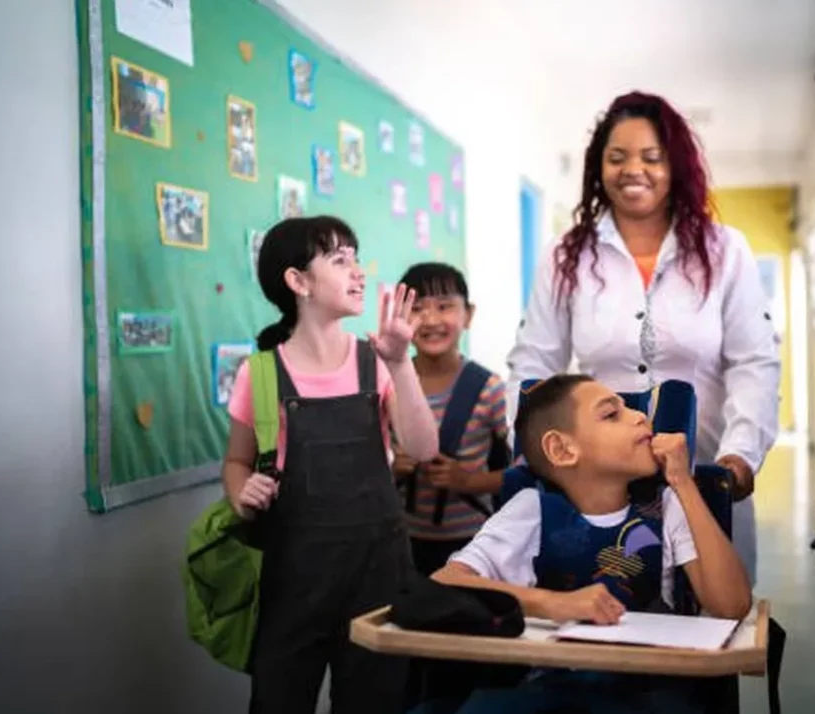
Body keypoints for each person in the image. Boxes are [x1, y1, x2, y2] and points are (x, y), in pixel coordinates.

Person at [505, 91, 780, 584]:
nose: (634, 170)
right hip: (595, 488)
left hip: (702, 478)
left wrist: (739, 456)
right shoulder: (566, 255)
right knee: (605, 618)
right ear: (598, 168)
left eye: (652, 158)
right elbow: (535, 363)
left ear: (676, 167)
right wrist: (530, 447)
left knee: (708, 626)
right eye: (618, 157)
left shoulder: (724, 251)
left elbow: (753, 363)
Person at [430, 374, 752, 714]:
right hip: (552, 686)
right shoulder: (530, 510)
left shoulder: (668, 506)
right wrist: (552, 603)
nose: (640, 417)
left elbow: (731, 606)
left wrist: (683, 483)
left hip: (649, 689)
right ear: (562, 449)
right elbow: (446, 582)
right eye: (611, 414)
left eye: (630, 409)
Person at [222, 216, 439, 714]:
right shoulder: (259, 373)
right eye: (339, 260)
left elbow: (424, 449)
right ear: (297, 282)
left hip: (377, 573)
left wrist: (402, 363)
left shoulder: (378, 360)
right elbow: (235, 461)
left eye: (356, 258)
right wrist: (241, 491)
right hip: (292, 577)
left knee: (375, 703)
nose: (357, 272)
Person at [391, 262, 509, 575]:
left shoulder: (490, 388)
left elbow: (527, 471)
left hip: (474, 545)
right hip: (400, 542)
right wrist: (389, 466)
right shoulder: (386, 381)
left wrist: (469, 481)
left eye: (444, 307)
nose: (430, 320)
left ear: (468, 315)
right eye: (416, 309)